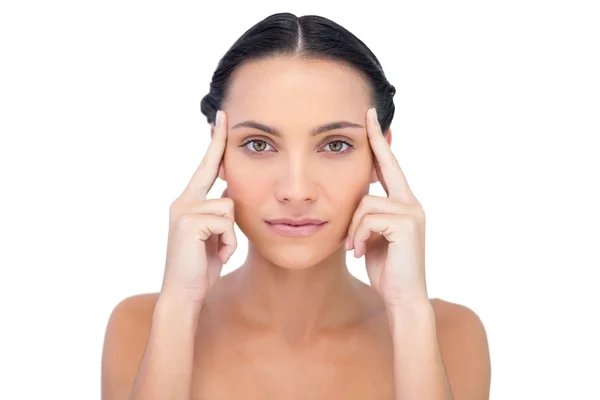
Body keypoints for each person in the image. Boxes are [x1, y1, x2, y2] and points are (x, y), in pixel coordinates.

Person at [101, 12, 491, 400]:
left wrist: (409, 312)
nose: (296, 190)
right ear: (218, 153)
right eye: (258, 144)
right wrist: (179, 307)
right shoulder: (140, 327)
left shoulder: (451, 335)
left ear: (380, 156)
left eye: (335, 145)